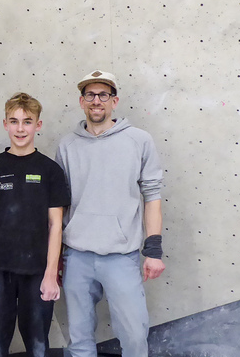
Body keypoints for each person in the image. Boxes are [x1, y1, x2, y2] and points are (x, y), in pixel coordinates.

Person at [55, 70, 165, 357]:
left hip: (121, 256)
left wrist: (153, 248)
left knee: (134, 336)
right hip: (76, 255)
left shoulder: (139, 140)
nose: (96, 101)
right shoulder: (67, 145)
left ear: (114, 101)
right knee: (79, 341)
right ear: (81, 101)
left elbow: (152, 194)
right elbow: (60, 203)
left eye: (103, 95)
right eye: (90, 95)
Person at [0, 92, 71, 357]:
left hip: (37, 272)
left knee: (38, 347)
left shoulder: (50, 171)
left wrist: (51, 274)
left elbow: (55, 226)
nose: (20, 128)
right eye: (14, 121)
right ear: (5, 124)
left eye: (27, 121)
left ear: (38, 125)